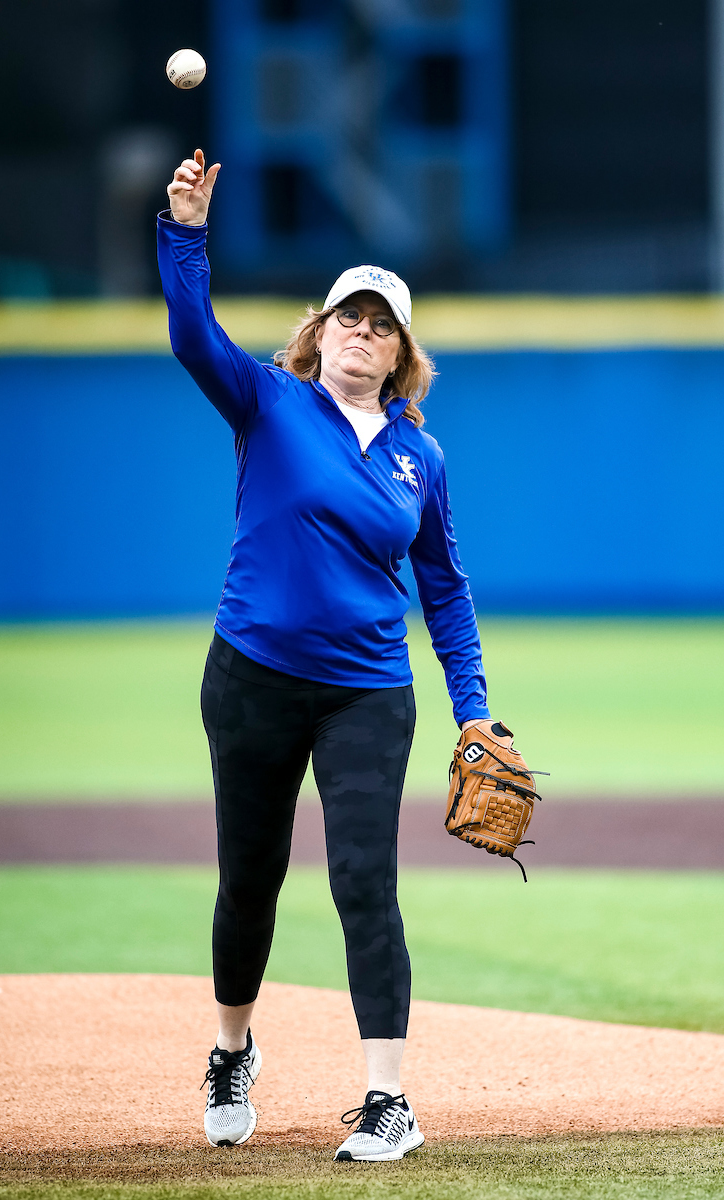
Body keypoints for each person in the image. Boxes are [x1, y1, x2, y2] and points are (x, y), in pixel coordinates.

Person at [158, 150, 505, 1163]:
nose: (362, 331)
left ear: (401, 354)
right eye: (347, 316)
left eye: (381, 323)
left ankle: (387, 1100)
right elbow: (191, 336)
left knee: (363, 878)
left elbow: (443, 585)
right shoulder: (268, 402)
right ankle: (231, 1051)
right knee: (249, 878)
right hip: (252, 676)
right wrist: (183, 230)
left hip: (366, 692)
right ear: (319, 333)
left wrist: (471, 706)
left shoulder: (417, 457)